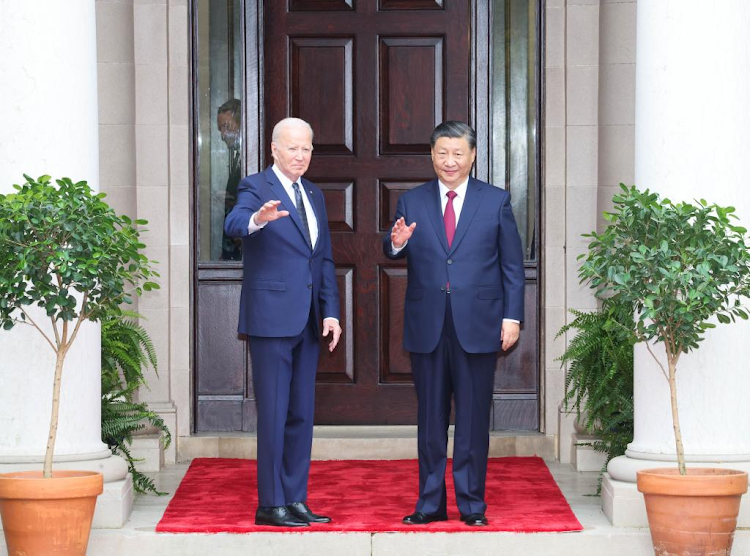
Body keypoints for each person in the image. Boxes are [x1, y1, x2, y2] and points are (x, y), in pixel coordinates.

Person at [383, 121, 525, 527]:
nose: (450, 161)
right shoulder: (411, 202)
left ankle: (472, 505)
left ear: (472, 155)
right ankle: (429, 503)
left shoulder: (495, 201)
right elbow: (392, 248)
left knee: (473, 419)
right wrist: (396, 242)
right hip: (428, 325)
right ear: (432, 155)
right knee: (430, 421)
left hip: (479, 324)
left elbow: (512, 267)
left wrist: (511, 317)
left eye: (457, 153)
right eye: (442, 153)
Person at [225, 117, 342, 527]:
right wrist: (258, 219)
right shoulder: (256, 187)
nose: (301, 156)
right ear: (273, 149)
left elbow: (322, 258)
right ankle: (269, 503)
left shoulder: (313, 194)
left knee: (300, 415)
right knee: (273, 414)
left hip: (308, 321)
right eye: (293, 148)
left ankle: (295, 499)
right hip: (271, 319)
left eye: (307, 148)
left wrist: (330, 311)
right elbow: (234, 223)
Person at [217, 99, 243, 261]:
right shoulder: (238, 158)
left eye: (226, 127)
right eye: (220, 129)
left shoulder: (251, 161)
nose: (223, 135)